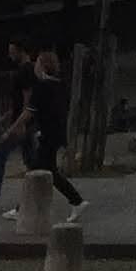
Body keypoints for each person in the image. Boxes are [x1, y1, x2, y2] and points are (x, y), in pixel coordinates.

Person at [0, 41, 36, 211]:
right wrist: (6, 117)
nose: (10, 55)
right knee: (31, 161)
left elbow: (27, 99)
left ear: (20, 51)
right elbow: (20, 101)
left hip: (21, 122)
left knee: (0, 155)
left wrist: (18, 123)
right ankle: (35, 195)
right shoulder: (28, 70)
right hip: (24, 120)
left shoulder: (25, 71)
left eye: (12, 52)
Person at [23, 47, 84, 211]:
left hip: (48, 134)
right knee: (47, 170)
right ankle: (75, 200)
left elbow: (30, 112)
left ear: (42, 66)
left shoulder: (42, 87)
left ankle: (76, 200)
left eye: (37, 64)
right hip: (56, 133)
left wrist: (13, 128)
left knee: (38, 169)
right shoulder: (60, 85)